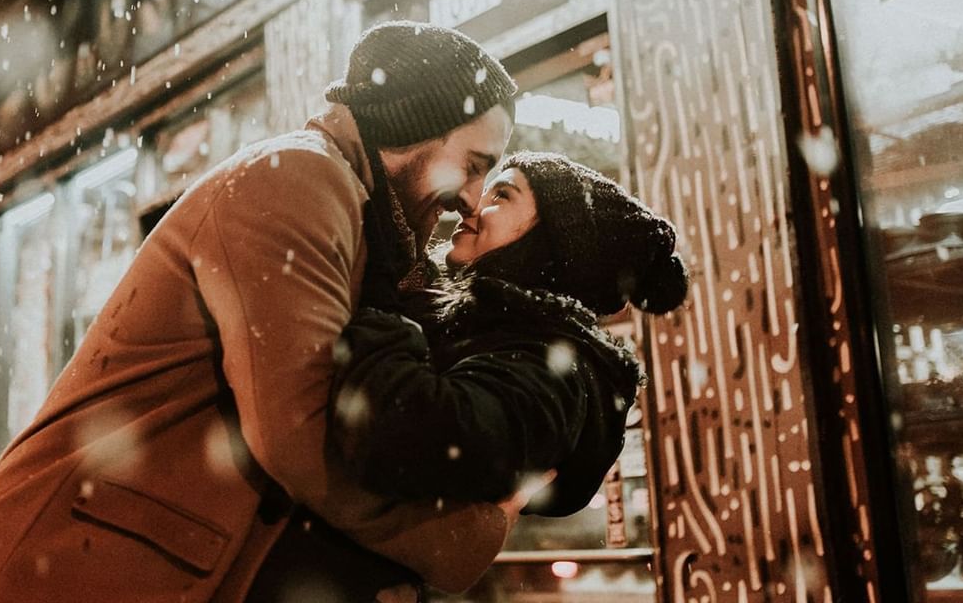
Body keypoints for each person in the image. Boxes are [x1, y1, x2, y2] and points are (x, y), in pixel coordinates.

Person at [0, 21, 521, 603]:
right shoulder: (299, 181)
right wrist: (467, 535)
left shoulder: (356, 217)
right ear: (419, 125)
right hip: (51, 577)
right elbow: (298, 436)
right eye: (473, 165)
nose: (471, 199)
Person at [246, 152, 688, 601]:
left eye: (503, 194)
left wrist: (380, 301)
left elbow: (411, 434)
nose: (474, 204)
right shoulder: (480, 329)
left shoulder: (553, 367)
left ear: (549, 244)